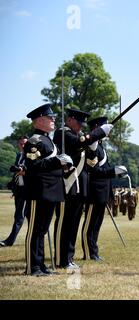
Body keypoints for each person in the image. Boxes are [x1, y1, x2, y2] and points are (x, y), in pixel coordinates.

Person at [52, 108, 113, 269]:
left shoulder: (78, 135)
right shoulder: (62, 133)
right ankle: (60, 259)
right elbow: (77, 143)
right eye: (79, 123)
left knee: (73, 224)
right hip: (68, 185)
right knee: (64, 223)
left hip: (79, 187)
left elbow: (89, 158)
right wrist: (98, 132)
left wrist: (93, 146)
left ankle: (68, 258)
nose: (80, 126)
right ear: (70, 119)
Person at [23, 103, 72, 276]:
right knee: (35, 231)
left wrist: (65, 166)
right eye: (49, 117)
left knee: (42, 230)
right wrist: (57, 161)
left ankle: (40, 265)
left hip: (52, 190)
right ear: (39, 121)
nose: (53, 120)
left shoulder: (50, 141)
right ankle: (32, 267)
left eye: (53, 117)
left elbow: (53, 166)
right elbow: (33, 166)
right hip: (39, 190)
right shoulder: (34, 141)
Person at [82, 116, 128, 262]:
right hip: (93, 192)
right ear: (97, 127)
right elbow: (93, 171)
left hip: (103, 192)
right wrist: (112, 171)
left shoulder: (100, 146)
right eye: (104, 126)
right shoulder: (92, 146)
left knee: (96, 225)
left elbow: (103, 170)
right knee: (89, 225)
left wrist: (116, 173)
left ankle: (94, 252)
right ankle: (89, 253)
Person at [0, 136, 29, 247]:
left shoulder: (31, 156)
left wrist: (24, 173)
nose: (23, 145)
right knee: (27, 217)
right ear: (18, 144)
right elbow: (16, 172)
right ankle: (33, 238)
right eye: (21, 143)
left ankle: (10, 241)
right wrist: (13, 183)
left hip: (27, 191)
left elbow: (34, 172)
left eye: (25, 143)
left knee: (19, 217)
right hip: (19, 190)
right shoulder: (19, 155)